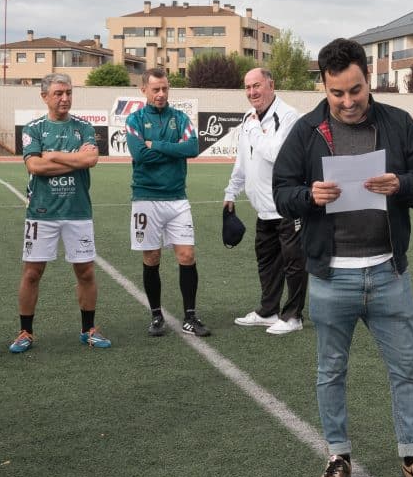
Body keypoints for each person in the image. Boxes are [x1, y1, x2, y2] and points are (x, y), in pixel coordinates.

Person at [273, 38, 413, 477]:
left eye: (355, 90)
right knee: (330, 371)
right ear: (324, 87)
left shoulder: (398, 123)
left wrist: (402, 185)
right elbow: (280, 193)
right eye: (338, 93)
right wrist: (309, 195)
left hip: (389, 272)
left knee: (406, 370)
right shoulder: (306, 131)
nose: (348, 102)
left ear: (368, 79)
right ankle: (337, 455)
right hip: (332, 277)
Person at [12, 73, 104, 352]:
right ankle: (25, 332)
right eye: (58, 93)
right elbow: (35, 168)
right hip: (42, 212)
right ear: (44, 96)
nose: (65, 98)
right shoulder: (34, 129)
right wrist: (74, 161)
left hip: (78, 211)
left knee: (86, 272)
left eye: (68, 92)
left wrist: (52, 155)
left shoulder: (84, 128)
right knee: (32, 273)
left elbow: (91, 159)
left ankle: (88, 329)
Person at [127, 68, 209, 338]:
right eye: (155, 90)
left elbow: (192, 149)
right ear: (144, 90)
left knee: (187, 256)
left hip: (177, 199)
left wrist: (157, 145)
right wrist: (172, 150)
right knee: (152, 257)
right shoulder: (134, 120)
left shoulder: (180, 118)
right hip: (146, 199)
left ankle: (190, 317)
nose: (161, 94)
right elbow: (140, 155)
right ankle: (156, 315)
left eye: (165, 89)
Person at [224, 67, 305, 335]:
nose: (251, 92)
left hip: (287, 205)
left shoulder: (289, 116)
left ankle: (293, 316)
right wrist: (230, 191)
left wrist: (253, 128)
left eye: (256, 86)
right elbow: (242, 160)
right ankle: (269, 311)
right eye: (247, 88)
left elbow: (274, 153)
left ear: (271, 84)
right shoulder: (250, 119)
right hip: (263, 208)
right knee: (267, 261)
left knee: (294, 262)